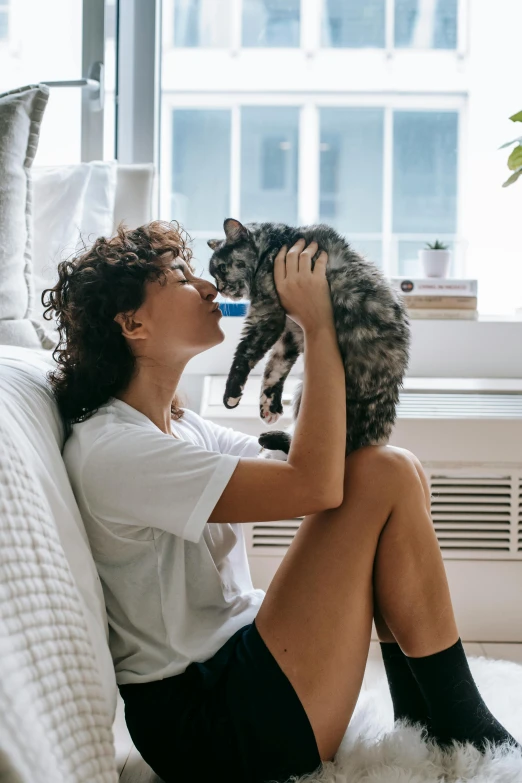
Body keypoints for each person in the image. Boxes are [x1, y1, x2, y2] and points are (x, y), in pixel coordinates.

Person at [44, 220, 519, 783]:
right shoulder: (117, 449)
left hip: (239, 666)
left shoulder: (179, 427)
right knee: (385, 471)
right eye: (179, 278)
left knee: (397, 469)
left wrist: (341, 320)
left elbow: (328, 469)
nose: (206, 287)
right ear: (132, 323)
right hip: (211, 723)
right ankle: (460, 720)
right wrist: (316, 325)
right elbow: (316, 486)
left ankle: (429, 712)